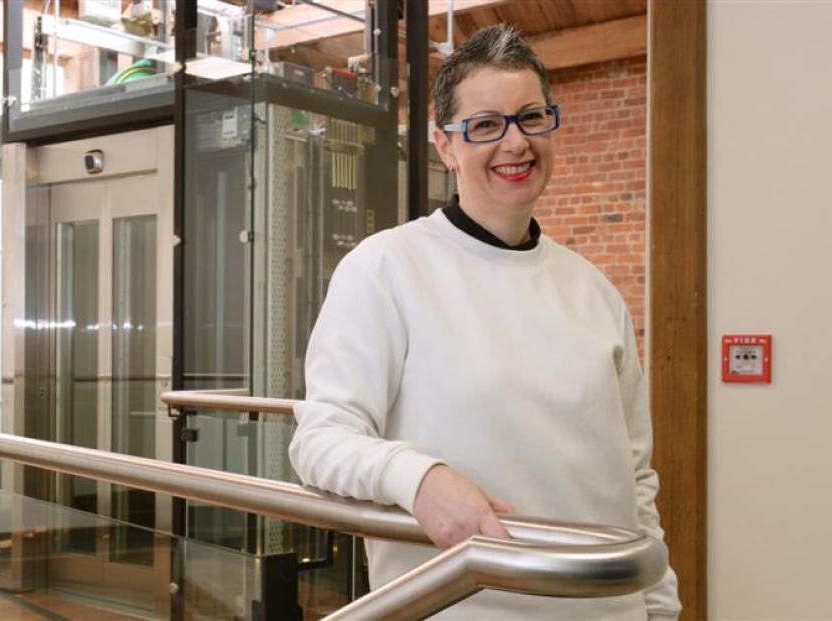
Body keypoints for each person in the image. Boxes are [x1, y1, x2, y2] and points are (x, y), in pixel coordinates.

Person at [288, 24, 681, 620]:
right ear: (445, 146)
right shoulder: (385, 269)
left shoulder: (595, 293)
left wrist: (659, 607)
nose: (516, 143)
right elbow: (318, 441)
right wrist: (420, 478)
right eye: (486, 125)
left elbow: (635, 481)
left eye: (531, 118)